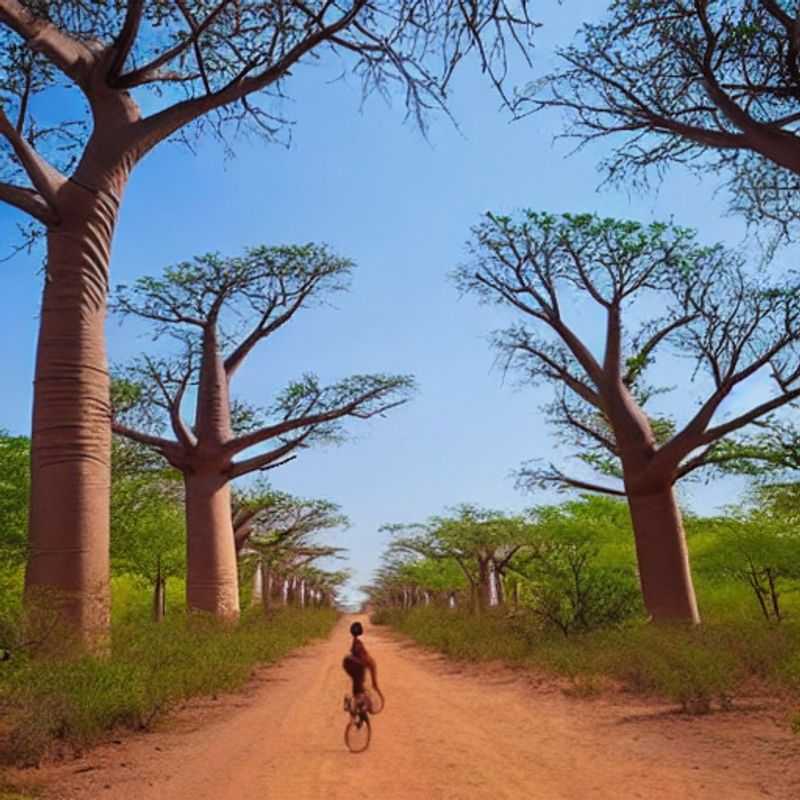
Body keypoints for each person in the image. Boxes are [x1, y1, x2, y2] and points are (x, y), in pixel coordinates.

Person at [342, 621, 382, 712]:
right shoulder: (359, 643)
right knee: (361, 684)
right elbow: (367, 660)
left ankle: (355, 701)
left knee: (358, 684)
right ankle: (357, 702)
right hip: (358, 665)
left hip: (351, 664)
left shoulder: (355, 641)